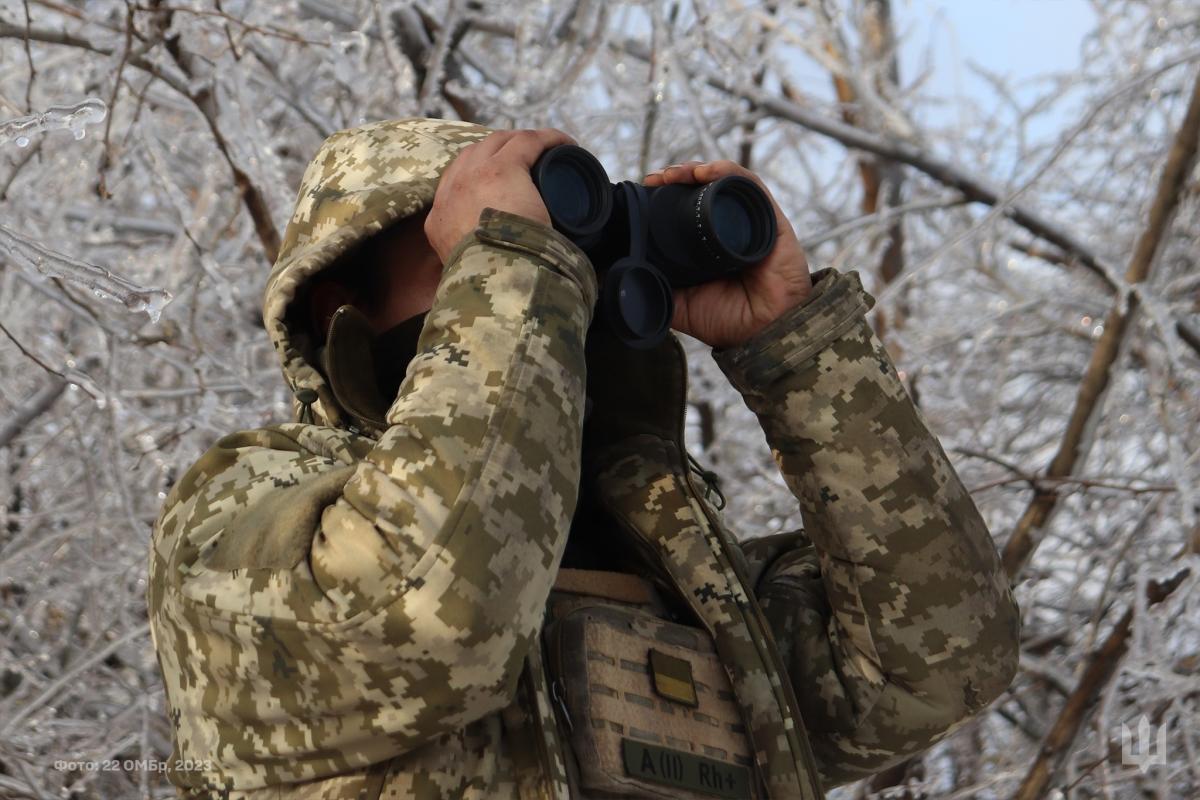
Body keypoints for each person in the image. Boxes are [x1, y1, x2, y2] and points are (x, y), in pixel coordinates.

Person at [147, 118, 1020, 799]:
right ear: (342, 303)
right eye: (467, 252)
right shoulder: (238, 519)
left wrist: (796, 349)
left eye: (571, 252)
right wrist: (515, 266)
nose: (558, 272)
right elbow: (423, 620)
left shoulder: (688, 581)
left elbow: (938, 664)